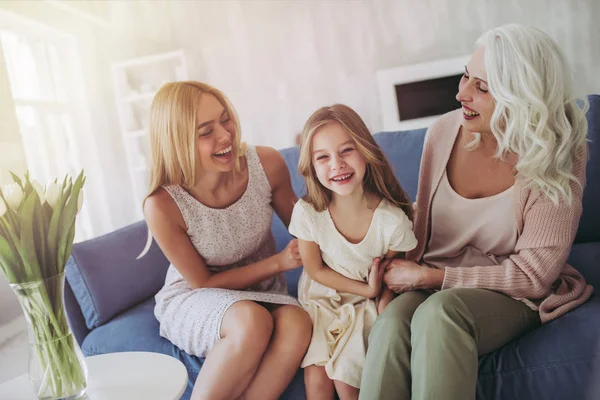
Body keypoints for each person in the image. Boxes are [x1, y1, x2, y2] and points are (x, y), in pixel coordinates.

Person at [359, 24, 594, 400]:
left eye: (481, 87)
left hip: (510, 293)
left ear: (522, 97)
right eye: (467, 76)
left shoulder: (557, 155)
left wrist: (430, 278)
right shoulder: (442, 133)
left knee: (441, 315)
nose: (461, 93)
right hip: (432, 278)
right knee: (390, 325)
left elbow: (533, 277)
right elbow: (424, 227)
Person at [142, 81, 312, 400]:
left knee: (298, 323)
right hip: (195, 296)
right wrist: (279, 263)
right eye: (206, 132)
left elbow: (307, 227)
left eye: (225, 119)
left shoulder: (266, 164)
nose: (225, 136)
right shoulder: (163, 204)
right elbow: (203, 282)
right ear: (177, 142)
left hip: (261, 291)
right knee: (250, 321)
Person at [288, 104, 418, 400]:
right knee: (317, 383)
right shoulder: (308, 212)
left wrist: (379, 304)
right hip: (321, 300)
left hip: (364, 306)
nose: (337, 164)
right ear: (311, 165)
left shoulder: (392, 221)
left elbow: (392, 277)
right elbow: (315, 270)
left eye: (347, 151)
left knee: (348, 381)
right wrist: (365, 286)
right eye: (323, 157)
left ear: (365, 151)